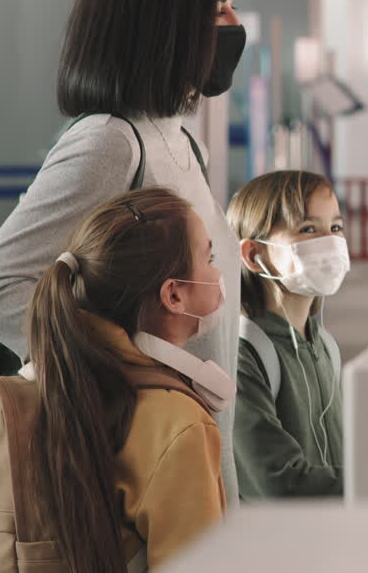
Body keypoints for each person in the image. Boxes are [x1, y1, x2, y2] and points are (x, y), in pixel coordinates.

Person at [0, 0, 246, 499]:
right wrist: (132, 369)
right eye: (217, 5)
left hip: (199, 442)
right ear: (166, 20)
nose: (233, 21)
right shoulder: (110, 142)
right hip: (144, 461)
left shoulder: (181, 140)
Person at [26, 188, 231, 571]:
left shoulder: (33, 385)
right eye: (210, 258)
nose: (218, 274)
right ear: (173, 296)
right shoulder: (177, 423)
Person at [227, 171, 349, 498]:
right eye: (308, 229)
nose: (331, 243)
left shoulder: (323, 345)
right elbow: (277, 484)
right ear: (254, 255)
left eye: (335, 227)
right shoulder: (242, 354)